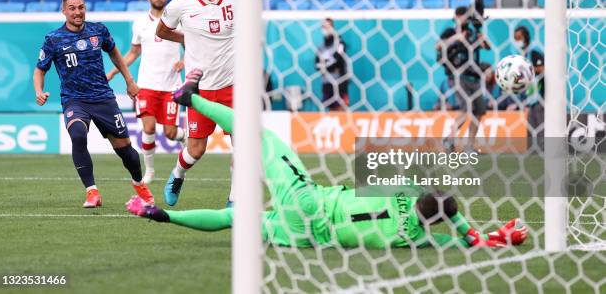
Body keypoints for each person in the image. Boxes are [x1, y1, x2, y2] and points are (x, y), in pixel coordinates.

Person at [126, 69, 528, 249]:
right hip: (309, 238)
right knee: (235, 220)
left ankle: (189, 98)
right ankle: (163, 215)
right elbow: (462, 242)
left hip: (311, 200)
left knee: (258, 134)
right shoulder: (419, 239)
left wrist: (460, 219)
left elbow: (432, 186)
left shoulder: (401, 186)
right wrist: (490, 237)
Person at [33, 0, 154, 208]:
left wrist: (129, 80)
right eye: (72, 8)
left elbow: (115, 54)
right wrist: (39, 91)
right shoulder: (53, 39)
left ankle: (139, 184)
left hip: (103, 98)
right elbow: (40, 70)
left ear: (85, 8)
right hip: (74, 100)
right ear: (64, 11)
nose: (77, 12)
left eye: (80, 7)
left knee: (126, 150)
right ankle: (92, 192)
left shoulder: (99, 30)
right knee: (78, 135)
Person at [155, 0, 235, 207]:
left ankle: (235, 199)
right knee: (196, 150)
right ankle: (177, 175)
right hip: (200, 90)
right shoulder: (181, 3)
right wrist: (187, 38)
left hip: (233, 86)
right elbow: (162, 30)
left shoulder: (237, 0)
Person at [106, 0, 185, 184]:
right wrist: (115, 72)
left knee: (170, 133)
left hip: (171, 85)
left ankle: (184, 137)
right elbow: (134, 52)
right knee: (148, 128)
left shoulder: (177, 19)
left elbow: (192, 43)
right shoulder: (140, 22)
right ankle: (149, 171)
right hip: (147, 84)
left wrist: (184, 60)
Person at [436, 6, 491, 150]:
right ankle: (449, 139)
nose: (463, 19)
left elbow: (487, 47)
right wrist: (456, 38)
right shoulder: (450, 32)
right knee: (466, 110)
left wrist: (481, 37)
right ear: (456, 17)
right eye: (461, 16)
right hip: (458, 76)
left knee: (479, 112)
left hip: (474, 77)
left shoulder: (472, 33)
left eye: (465, 16)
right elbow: (438, 46)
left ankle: (469, 146)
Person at [511, 26, 545, 146]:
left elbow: (543, 68)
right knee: (531, 126)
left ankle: (544, 149)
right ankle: (535, 151)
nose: (517, 41)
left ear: (526, 38)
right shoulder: (521, 56)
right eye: (515, 38)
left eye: (519, 38)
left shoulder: (534, 52)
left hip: (540, 96)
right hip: (530, 98)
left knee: (541, 126)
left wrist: (527, 70)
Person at [315, 18, 349, 111]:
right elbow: (317, 65)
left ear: (332, 27)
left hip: (339, 82)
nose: (325, 29)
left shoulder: (339, 43)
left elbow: (338, 59)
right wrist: (327, 66)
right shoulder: (321, 47)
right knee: (331, 111)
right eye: (323, 27)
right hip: (326, 83)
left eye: (327, 26)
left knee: (340, 109)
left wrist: (325, 66)